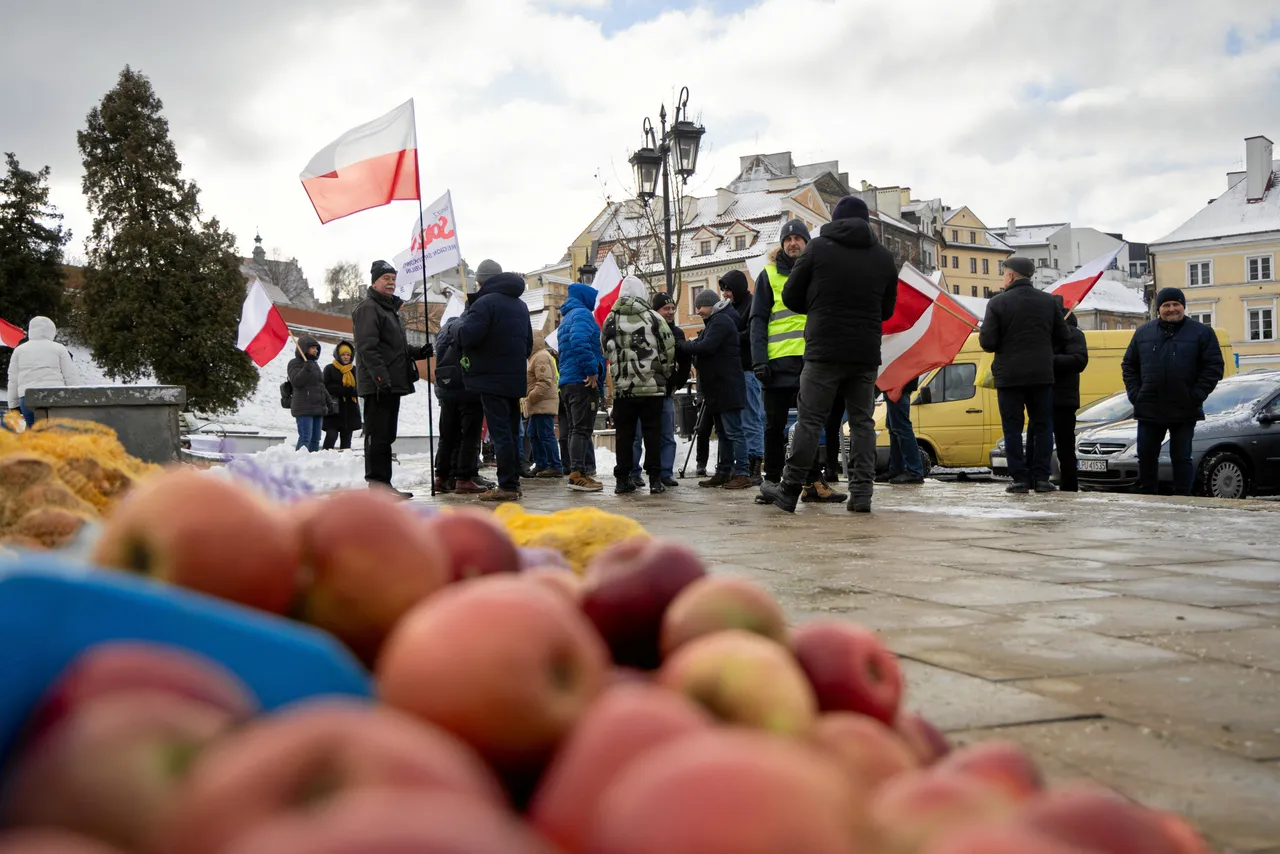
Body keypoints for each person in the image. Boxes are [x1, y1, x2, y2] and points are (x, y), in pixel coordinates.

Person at [758, 196, 897, 514]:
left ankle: (790, 490)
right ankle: (862, 493)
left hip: (823, 350)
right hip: (863, 353)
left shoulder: (818, 248)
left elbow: (792, 293)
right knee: (862, 423)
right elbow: (886, 310)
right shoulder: (883, 257)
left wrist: (819, 305)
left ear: (835, 219)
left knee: (809, 421)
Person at [748, 219, 842, 503]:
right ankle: (772, 483)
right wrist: (759, 360)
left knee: (809, 425)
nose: (792, 243)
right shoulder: (768, 275)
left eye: (798, 239)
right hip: (776, 365)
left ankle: (812, 482)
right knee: (774, 428)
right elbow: (758, 320)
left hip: (809, 362)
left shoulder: (816, 273)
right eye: (788, 239)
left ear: (806, 242)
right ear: (782, 244)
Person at [979, 256, 1070, 495]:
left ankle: (1019, 479)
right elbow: (1063, 338)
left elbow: (988, 343)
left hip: (1009, 377)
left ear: (1009, 275)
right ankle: (1041, 478)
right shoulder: (1049, 302)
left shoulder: (997, 303)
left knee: (1012, 428)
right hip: (1041, 374)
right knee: (1042, 427)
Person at [1121, 286, 1224, 496]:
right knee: (1146, 456)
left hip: (1184, 407)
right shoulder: (1143, 332)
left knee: (1182, 457)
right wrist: (1136, 395)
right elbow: (1129, 365)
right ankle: (1149, 497)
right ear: (1159, 308)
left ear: (1183, 306)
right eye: (1166, 305)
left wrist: (1196, 395)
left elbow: (1214, 368)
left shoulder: (1202, 332)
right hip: (1149, 406)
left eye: (1176, 304)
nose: (1171, 309)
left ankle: (1183, 498)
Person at [352, 260, 433, 498]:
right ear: (374, 281)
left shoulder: (389, 310)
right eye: (386, 278)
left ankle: (384, 485)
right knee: (378, 436)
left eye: (393, 279)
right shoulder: (369, 308)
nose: (391, 283)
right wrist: (380, 378)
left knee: (387, 435)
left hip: (391, 383)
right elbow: (368, 348)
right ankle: (377, 486)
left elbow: (393, 347)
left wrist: (417, 352)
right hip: (379, 384)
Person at [457, 260, 534, 502]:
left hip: (490, 379)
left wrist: (462, 321)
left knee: (500, 433)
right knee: (511, 431)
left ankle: (507, 485)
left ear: (482, 280)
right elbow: (528, 344)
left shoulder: (484, 303)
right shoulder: (521, 305)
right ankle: (513, 481)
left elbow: (467, 335)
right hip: (513, 378)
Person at [602, 277, 675, 494]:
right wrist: (664, 373)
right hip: (652, 387)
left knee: (624, 435)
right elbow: (668, 348)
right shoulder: (654, 318)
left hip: (624, 389)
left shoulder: (611, 319)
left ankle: (622, 480)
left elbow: (604, 350)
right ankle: (655, 480)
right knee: (653, 433)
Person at [679, 287, 752, 490]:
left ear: (710, 305)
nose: (698, 311)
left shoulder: (720, 321)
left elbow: (706, 346)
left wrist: (681, 346)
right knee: (724, 432)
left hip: (726, 387)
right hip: (719, 388)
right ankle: (724, 471)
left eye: (700, 306)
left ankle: (742, 473)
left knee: (734, 432)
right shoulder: (715, 321)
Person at [628, 291, 688, 488]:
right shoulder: (647, 330)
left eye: (672, 308)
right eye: (666, 308)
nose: (670, 312)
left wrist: (677, 382)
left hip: (666, 392)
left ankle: (665, 472)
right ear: (656, 311)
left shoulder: (677, 333)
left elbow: (685, 362)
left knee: (666, 435)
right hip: (645, 389)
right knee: (637, 434)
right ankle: (634, 472)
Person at [556, 282, 607, 492]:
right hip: (581, 381)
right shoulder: (582, 315)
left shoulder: (567, 317)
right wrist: (592, 370)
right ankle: (577, 473)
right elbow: (579, 342)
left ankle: (579, 471)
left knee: (574, 429)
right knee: (582, 429)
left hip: (569, 381)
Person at [432, 313, 487, 495]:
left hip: (446, 390)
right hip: (467, 389)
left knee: (446, 436)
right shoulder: (467, 328)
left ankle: (441, 477)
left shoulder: (442, 333)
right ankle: (464, 478)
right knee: (469, 435)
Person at [718, 270, 765, 484]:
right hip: (735, 371)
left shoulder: (752, 304)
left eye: (728, 289)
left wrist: (727, 336)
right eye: (723, 290)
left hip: (748, 369)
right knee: (739, 422)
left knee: (751, 419)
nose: (725, 294)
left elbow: (752, 334)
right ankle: (742, 465)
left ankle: (755, 466)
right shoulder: (731, 308)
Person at [1038, 297, 1089, 492]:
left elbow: (1078, 360)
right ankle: (1038, 480)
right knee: (1037, 443)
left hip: (1063, 399)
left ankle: (1069, 486)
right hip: (1040, 396)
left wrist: (1047, 360)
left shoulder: (1074, 334)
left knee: (1065, 446)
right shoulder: (1042, 333)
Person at [5, 316, 76, 427]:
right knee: (56, 430)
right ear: (52, 331)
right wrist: (75, 399)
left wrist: (13, 406)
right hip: (56, 395)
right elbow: (70, 376)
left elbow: (13, 379)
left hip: (27, 397)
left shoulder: (19, 350)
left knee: (33, 429)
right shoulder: (59, 348)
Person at [526, 330, 564, 478]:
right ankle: (541, 463)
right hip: (537, 405)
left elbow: (545, 381)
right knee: (534, 434)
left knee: (545, 435)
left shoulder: (540, 356)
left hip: (542, 403)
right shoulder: (535, 357)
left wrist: (531, 397)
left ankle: (554, 465)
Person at [875, 376, 926, 484]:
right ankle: (896, 468)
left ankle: (914, 471)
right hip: (895, 384)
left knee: (901, 427)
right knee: (893, 427)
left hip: (898, 383)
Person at [288, 335, 329, 453]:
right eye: (312, 348)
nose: (315, 350)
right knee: (305, 438)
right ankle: (299, 462)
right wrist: (306, 368)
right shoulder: (294, 363)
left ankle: (311, 463)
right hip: (303, 407)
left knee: (316, 439)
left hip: (317, 407)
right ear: (304, 348)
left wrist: (328, 401)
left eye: (316, 348)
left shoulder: (314, 364)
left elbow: (320, 385)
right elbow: (296, 381)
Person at [321, 340, 362, 450]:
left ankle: (345, 462)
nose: (346, 357)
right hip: (333, 409)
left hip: (350, 410)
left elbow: (360, 388)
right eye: (343, 355)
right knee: (331, 436)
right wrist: (346, 390)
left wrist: (349, 390)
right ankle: (325, 458)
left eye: (348, 355)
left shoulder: (354, 370)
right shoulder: (329, 368)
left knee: (347, 439)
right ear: (338, 355)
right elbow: (326, 387)